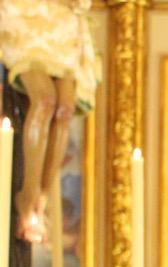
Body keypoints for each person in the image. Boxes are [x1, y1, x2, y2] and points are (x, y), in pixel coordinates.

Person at [0, 0, 100, 242]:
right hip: (27, 18)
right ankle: (28, 193)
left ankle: (41, 199)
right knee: (45, 100)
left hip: (61, 26)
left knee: (65, 109)